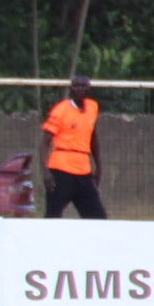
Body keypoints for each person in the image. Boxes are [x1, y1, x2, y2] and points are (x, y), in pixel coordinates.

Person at [41, 76, 107, 219]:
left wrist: (99, 167)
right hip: (61, 169)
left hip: (84, 171)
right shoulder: (60, 110)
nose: (79, 89)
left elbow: (93, 137)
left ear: (89, 89)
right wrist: (45, 172)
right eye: (76, 86)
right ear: (71, 89)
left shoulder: (93, 107)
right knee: (53, 215)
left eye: (83, 86)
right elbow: (45, 141)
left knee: (98, 218)